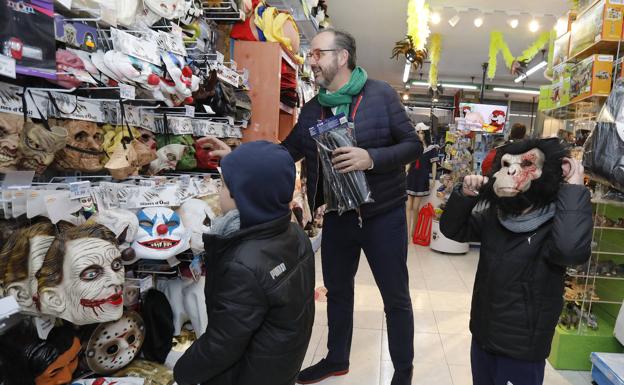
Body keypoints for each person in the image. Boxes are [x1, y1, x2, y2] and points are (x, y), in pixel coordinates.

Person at [202, 28, 422, 385]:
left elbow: (413, 145)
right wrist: (237, 158)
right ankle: (337, 358)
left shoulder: (380, 95)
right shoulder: (313, 108)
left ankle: (403, 372)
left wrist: (371, 158)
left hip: (384, 216)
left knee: (395, 297)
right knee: (337, 291)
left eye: (318, 54)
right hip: (337, 215)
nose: (311, 60)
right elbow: (285, 153)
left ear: (342, 57)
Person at [440, 138, 592, 385]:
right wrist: (465, 196)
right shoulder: (496, 215)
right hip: (483, 333)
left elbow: (570, 251)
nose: (512, 170)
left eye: (527, 164)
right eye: (507, 163)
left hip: (523, 346)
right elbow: (453, 230)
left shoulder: (556, 220)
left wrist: (573, 190)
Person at [173, 141, 316, 385]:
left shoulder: (243, 264)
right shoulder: (295, 234)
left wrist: (181, 372)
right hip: (279, 365)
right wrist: (239, 161)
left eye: (224, 185)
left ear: (242, 194)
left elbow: (221, 344)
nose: (219, 193)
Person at [406, 123, 438, 239]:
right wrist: (405, 172)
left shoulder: (431, 148)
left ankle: (413, 233)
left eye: (422, 133)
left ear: (426, 134)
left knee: (415, 207)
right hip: (411, 177)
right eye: (418, 133)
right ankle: (407, 234)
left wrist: (433, 179)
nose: (420, 135)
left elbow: (434, 165)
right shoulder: (413, 147)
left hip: (422, 178)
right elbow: (409, 163)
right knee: (408, 207)